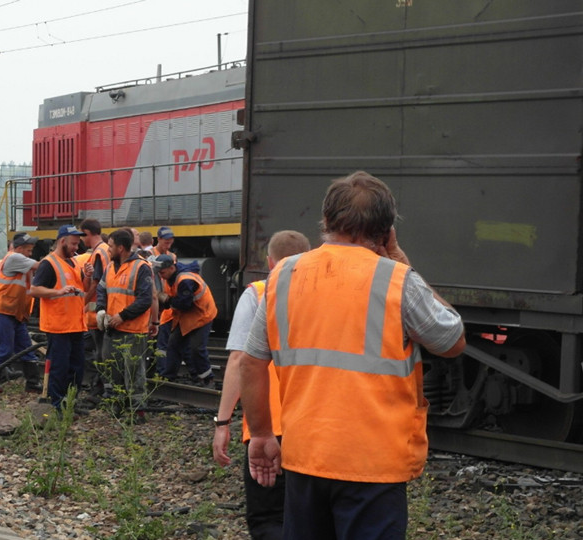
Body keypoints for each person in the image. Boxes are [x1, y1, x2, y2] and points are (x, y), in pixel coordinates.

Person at [241, 171, 467, 540]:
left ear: (326, 220)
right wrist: (402, 262)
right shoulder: (396, 279)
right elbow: (452, 340)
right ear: (386, 231)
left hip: (304, 455)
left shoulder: (283, 275)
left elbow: (250, 362)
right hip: (373, 463)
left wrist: (263, 433)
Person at [212, 230, 311, 540]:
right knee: (312, 519)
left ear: (270, 263)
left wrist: (222, 422)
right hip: (314, 426)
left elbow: (238, 360)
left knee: (268, 519)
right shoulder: (324, 295)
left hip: (268, 423)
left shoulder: (258, 293)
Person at [29, 225, 93, 408]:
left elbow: (83, 289)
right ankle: (57, 403)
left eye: (77, 244)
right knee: (60, 367)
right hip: (58, 326)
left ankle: (70, 402)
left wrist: (88, 276)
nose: (76, 248)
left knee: (76, 367)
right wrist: (58, 292)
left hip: (76, 324)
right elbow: (34, 290)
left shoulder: (73, 263)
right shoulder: (49, 263)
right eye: (73, 244)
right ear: (62, 241)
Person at [95, 228, 154, 410]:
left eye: (111, 246)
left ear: (120, 248)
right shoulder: (110, 267)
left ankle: (137, 409)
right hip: (112, 329)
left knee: (134, 372)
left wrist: (122, 316)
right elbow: (101, 289)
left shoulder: (141, 267)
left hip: (133, 331)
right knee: (113, 369)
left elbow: (145, 299)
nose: (108, 249)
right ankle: (117, 406)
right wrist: (101, 309)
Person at [0, 232, 42, 391]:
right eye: (28, 250)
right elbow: (41, 266)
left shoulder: (22, 263)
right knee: (5, 349)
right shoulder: (14, 257)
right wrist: (56, 258)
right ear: (19, 248)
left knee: (26, 348)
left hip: (16, 312)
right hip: (4, 309)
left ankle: (32, 383)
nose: (30, 254)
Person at [155, 254, 217, 386]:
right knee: (173, 343)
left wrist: (167, 300)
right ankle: (168, 377)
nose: (161, 275)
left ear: (171, 268)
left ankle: (207, 379)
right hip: (188, 316)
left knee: (196, 348)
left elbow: (184, 304)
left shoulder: (185, 280)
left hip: (202, 316)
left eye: (162, 272)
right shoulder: (170, 278)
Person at [79, 218, 110, 397]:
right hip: (103, 308)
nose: (81, 239)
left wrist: (82, 302)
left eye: (82, 235)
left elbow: (97, 283)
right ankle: (102, 386)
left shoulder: (99, 253)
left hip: (97, 311)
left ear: (87, 233)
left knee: (100, 352)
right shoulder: (105, 250)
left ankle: (100, 387)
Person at [152, 226, 178, 357]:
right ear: (159, 239)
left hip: (166, 299)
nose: (168, 245)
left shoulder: (172, 256)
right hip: (155, 298)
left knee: (164, 336)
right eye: (166, 242)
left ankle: (161, 360)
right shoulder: (151, 255)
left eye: (170, 242)